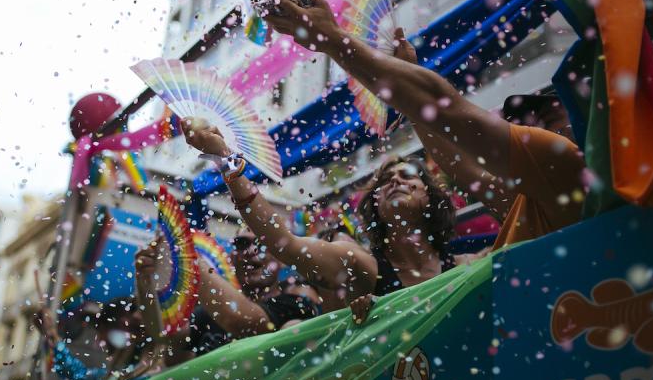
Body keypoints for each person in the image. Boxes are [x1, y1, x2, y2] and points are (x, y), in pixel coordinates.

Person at [258, 0, 586, 250]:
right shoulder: (530, 198)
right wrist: (411, 96)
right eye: (522, 121)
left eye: (546, 116)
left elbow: (444, 109)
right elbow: (457, 163)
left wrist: (331, 37)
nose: (527, 125)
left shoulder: (564, 164)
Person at [181, 118, 463, 306]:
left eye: (407, 175)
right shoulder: (361, 266)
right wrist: (225, 160)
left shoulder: (469, 267)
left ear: (432, 197)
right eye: (386, 180)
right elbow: (285, 243)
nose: (395, 181)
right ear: (374, 206)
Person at [134, 231, 321, 356]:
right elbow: (164, 334)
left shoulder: (296, 306)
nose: (252, 251)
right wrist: (145, 282)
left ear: (281, 259)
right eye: (242, 243)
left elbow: (243, 321)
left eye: (263, 243)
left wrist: (187, 256)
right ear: (232, 259)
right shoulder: (211, 312)